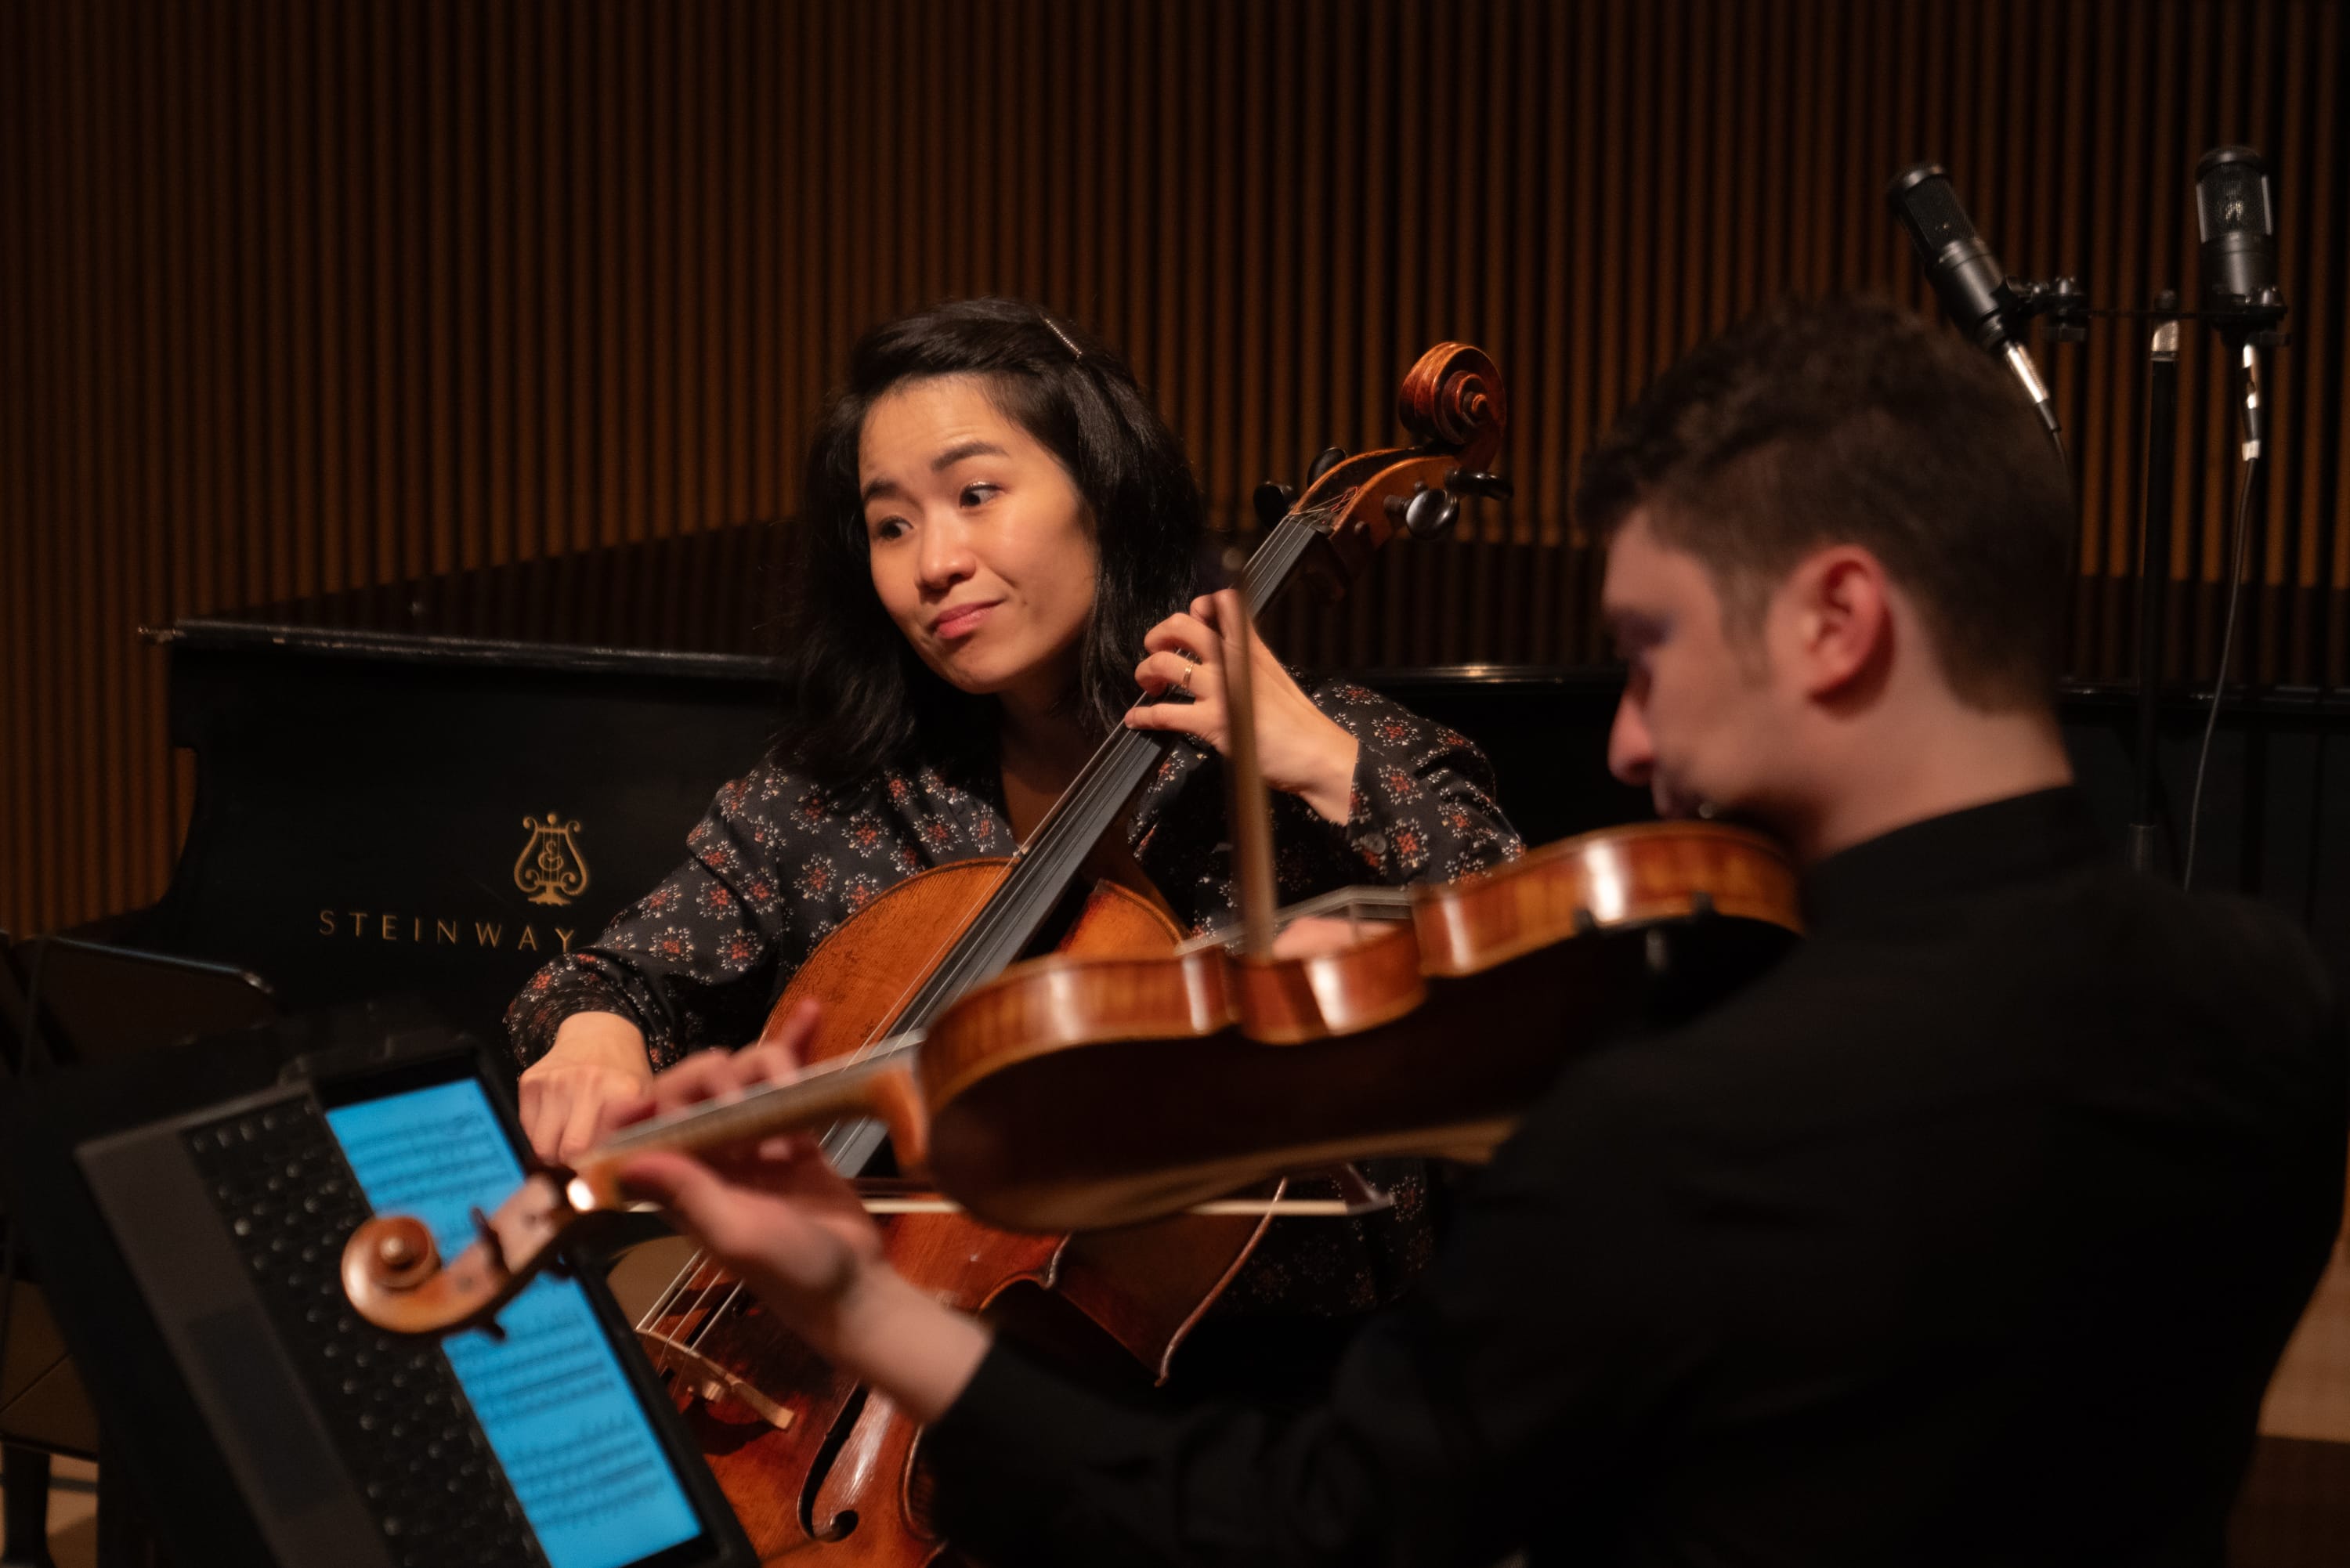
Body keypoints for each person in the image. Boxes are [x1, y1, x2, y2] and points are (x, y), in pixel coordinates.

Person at [608, 297, 2348, 1566]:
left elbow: (1298, 1526)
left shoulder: (1680, 1130)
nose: (1628, 743)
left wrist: (859, 1298)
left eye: (1649, 651)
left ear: (1837, 620)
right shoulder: (2270, 1005)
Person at [508, 297, 1521, 1315]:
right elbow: (612, 978)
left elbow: (1540, 971)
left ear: (1104, 491)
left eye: (976, 494)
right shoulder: (844, 794)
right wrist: (594, 1035)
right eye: (891, 524)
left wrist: (1328, 767)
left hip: (1275, 1388)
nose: (933, 563)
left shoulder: (1337, 749)